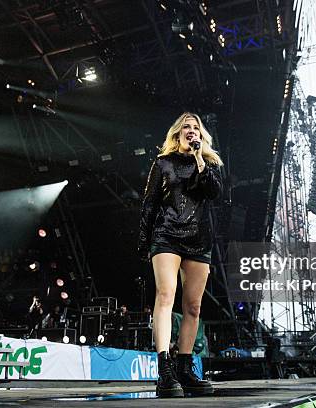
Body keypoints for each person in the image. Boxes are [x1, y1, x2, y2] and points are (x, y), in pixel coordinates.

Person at [138, 112, 222, 398]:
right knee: (165, 295)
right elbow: (149, 202)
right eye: (186, 126)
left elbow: (213, 191)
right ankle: (164, 370)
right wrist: (143, 239)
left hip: (199, 240)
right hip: (166, 234)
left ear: (201, 134)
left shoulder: (208, 164)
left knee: (194, 307)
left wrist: (199, 158)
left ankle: (185, 369)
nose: (190, 130)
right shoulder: (163, 163)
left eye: (195, 127)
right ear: (177, 133)